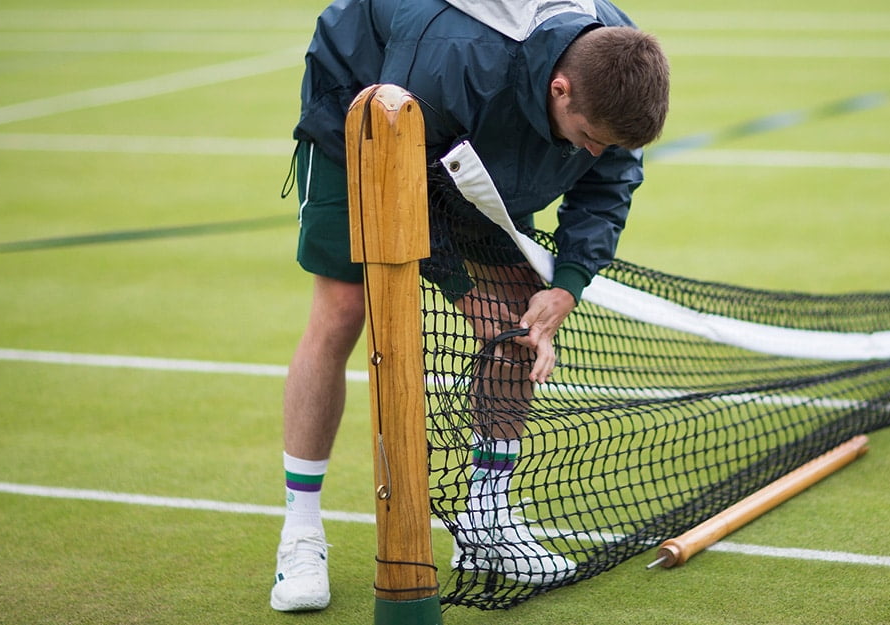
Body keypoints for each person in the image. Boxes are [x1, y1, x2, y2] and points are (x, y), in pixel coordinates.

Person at [271, 0, 669, 612]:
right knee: (344, 308)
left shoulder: (614, 72)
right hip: (364, 110)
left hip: (478, 132)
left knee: (515, 326)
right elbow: (406, 182)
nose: (592, 152)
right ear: (560, 88)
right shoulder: (452, 62)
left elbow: (609, 179)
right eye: (587, 137)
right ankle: (299, 532)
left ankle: (487, 519)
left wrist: (566, 283)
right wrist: (466, 289)